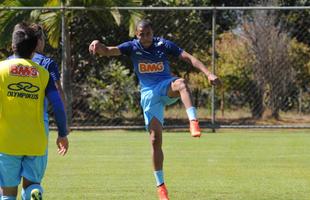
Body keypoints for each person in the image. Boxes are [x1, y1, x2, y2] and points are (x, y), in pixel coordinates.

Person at [89, 19, 220, 200]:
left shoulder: (163, 45)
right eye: (141, 34)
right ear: (137, 35)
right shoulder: (132, 47)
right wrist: (98, 45)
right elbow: (109, 51)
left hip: (165, 86)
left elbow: (189, 57)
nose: (145, 37)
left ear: (153, 33)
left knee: (181, 83)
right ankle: (161, 187)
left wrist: (208, 73)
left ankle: (193, 121)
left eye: (148, 33)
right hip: (149, 95)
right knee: (155, 140)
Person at [0, 22, 69, 200]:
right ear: (34, 49)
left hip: (7, 142)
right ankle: (34, 193)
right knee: (32, 185)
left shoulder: (1, 70)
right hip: (36, 142)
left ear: (12, 46)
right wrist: (62, 133)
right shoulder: (42, 73)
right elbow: (58, 105)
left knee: (7, 191)